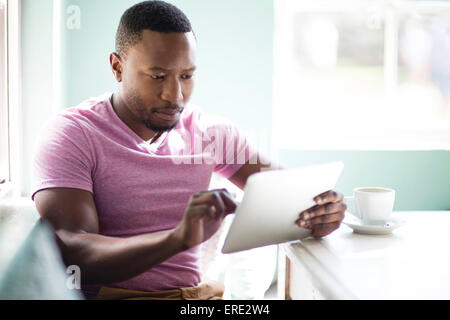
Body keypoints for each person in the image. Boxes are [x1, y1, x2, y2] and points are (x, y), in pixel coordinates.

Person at [32, 0, 346, 300]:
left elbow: (295, 194)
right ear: (117, 67)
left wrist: (324, 210)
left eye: (187, 76)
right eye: (157, 76)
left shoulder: (209, 133)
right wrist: (176, 239)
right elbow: (72, 249)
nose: (175, 95)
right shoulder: (73, 134)